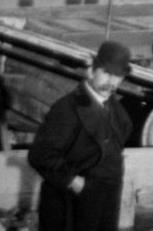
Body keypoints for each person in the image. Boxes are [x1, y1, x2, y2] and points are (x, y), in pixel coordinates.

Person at [28, 41, 134, 231]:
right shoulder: (67, 108)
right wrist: (74, 182)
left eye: (117, 76)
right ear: (91, 71)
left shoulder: (117, 111)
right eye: (106, 73)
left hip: (106, 201)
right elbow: (40, 155)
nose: (111, 81)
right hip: (70, 203)